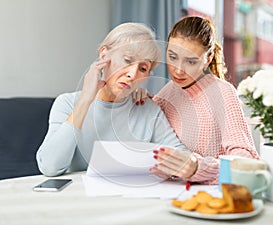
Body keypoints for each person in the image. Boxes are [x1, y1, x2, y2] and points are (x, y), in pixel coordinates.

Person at [36, 22, 187, 177]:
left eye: (143, 68)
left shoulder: (147, 108)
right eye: (128, 60)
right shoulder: (67, 103)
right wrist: (85, 100)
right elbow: (50, 166)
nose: (133, 74)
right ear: (104, 55)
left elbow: (181, 155)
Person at [144, 16, 259, 184]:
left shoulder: (222, 92)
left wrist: (199, 168)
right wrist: (140, 101)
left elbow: (246, 160)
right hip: (169, 193)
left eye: (191, 61)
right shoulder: (166, 93)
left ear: (208, 58)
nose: (178, 70)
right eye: (172, 57)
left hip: (211, 196)